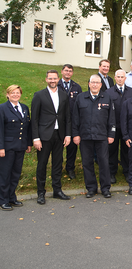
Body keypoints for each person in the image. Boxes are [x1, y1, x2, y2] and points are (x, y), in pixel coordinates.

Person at [31, 70, 72, 204]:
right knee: (42, 164)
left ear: (58, 79)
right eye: (50, 78)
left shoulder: (63, 95)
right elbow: (34, 119)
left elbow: (67, 117)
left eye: (54, 78)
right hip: (44, 136)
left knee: (57, 163)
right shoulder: (39, 95)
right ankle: (41, 193)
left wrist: (67, 134)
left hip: (59, 135)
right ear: (46, 79)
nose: (52, 81)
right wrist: (36, 138)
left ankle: (57, 190)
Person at [72, 74, 116, 198]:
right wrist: (75, 134)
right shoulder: (81, 98)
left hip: (102, 136)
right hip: (85, 136)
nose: (95, 84)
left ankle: (105, 188)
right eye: (93, 82)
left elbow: (111, 118)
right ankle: (91, 188)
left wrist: (111, 134)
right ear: (89, 84)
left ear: (101, 85)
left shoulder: (107, 98)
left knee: (104, 162)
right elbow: (75, 118)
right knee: (87, 163)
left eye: (97, 82)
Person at [0, 85, 32, 210]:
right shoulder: (2, 108)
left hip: (20, 146)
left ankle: (12, 197)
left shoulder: (24, 108)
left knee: (16, 173)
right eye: (12, 93)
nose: (15, 95)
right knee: (5, 174)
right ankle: (3, 199)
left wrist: (28, 143)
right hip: (7, 147)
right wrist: (1, 147)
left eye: (17, 93)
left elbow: (27, 128)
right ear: (7, 94)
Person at [105, 70, 132, 184]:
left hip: (128, 126)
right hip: (114, 126)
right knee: (112, 150)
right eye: (118, 77)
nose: (119, 79)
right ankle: (112, 172)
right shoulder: (108, 92)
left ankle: (127, 171)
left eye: (122, 77)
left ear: (125, 78)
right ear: (114, 77)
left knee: (127, 149)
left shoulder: (131, 92)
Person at [57, 64, 82, 180]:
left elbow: (80, 105)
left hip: (72, 122)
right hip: (59, 122)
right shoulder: (56, 86)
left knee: (72, 148)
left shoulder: (76, 87)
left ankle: (70, 168)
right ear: (62, 72)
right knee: (58, 147)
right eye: (66, 70)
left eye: (70, 71)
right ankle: (57, 168)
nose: (68, 73)